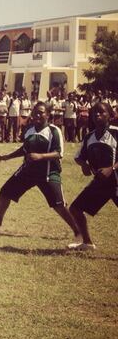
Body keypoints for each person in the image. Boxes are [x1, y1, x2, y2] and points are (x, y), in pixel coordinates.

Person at [0, 102, 82, 246]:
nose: (37, 115)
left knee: (59, 204)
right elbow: (25, 149)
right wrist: (7, 157)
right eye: (35, 112)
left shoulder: (53, 131)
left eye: (41, 112)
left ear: (48, 114)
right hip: (28, 171)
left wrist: (41, 156)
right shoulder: (29, 129)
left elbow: (59, 153)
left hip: (48, 173)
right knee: (5, 192)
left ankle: (78, 232)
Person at [69, 101, 118, 251]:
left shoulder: (116, 132)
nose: (97, 114)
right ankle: (87, 243)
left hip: (116, 181)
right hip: (101, 183)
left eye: (102, 112)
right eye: (95, 112)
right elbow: (78, 157)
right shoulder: (89, 136)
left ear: (110, 115)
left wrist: (112, 168)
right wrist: (84, 165)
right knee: (75, 209)